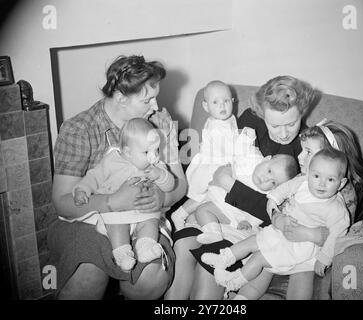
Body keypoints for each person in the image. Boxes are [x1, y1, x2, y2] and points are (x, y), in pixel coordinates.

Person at [165, 75, 323, 300]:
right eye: (275, 124)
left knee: (206, 271)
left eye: (291, 123)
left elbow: (277, 213)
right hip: (216, 208)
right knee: (182, 246)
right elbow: (225, 157)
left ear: (302, 114)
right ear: (261, 113)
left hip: (245, 228)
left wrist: (230, 185)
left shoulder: (303, 152)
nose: (284, 132)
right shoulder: (250, 120)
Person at [49, 54, 187, 299]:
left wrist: (162, 197)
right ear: (121, 98)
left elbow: (180, 185)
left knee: (149, 280)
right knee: (87, 275)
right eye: (148, 100)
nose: (156, 107)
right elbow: (62, 202)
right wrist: (111, 201)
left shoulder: (158, 125)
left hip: (146, 219)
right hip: (88, 218)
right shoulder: (79, 129)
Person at [202, 148, 350, 299]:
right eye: (316, 176)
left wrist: (324, 258)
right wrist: (274, 202)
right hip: (278, 231)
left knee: (259, 258)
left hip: (298, 244)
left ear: (341, 183)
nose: (322, 183)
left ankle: (233, 282)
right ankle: (222, 259)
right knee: (251, 241)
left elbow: (337, 235)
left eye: (330, 179)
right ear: (309, 173)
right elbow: (284, 189)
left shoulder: (336, 209)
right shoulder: (303, 182)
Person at [70, 118, 175, 272]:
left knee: (151, 222)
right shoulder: (112, 161)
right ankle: (123, 253)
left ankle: (145, 246)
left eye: (156, 150)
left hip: (145, 212)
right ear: (127, 152)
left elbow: (170, 184)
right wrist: (82, 189)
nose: (154, 156)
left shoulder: (156, 166)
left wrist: (160, 175)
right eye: (147, 152)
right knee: (116, 225)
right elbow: (94, 177)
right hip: (117, 213)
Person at [171, 80, 237, 230]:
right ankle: (180, 214)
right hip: (211, 164)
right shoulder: (215, 126)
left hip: (223, 164)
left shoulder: (231, 119)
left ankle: (193, 219)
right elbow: (223, 150)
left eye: (226, 101)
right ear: (206, 106)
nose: (222, 106)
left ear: (233, 101)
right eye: (215, 102)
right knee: (201, 194)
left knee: (212, 197)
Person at [194, 153, 298, 244]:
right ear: (266, 159)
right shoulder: (247, 165)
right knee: (196, 211)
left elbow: (262, 213)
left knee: (202, 210)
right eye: (269, 171)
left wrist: (249, 222)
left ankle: (213, 234)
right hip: (218, 199)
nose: (266, 178)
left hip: (231, 214)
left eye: (273, 182)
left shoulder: (267, 194)